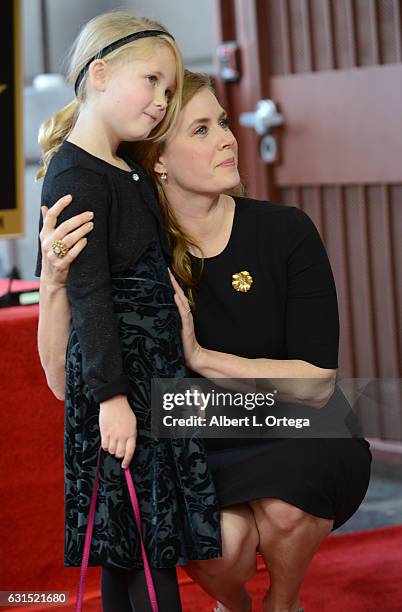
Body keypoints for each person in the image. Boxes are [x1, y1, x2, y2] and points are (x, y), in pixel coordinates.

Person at [37, 70, 372, 612]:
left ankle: (284, 604)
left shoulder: (286, 230)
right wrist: (53, 284)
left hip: (294, 419)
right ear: (158, 162)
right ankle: (233, 604)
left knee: (287, 507)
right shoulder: (127, 247)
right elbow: (61, 383)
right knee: (223, 544)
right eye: (200, 129)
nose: (226, 137)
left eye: (221, 121)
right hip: (193, 431)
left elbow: (313, 388)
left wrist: (201, 357)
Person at [34, 15, 222, 612]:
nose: (162, 101)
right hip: (119, 387)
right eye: (153, 82)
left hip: (153, 376)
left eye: (170, 91)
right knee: (144, 542)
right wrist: (112, 397)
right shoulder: (74, 175)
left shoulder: (130, 167)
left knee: (133, 538)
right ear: (100, 73)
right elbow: (89, 296)